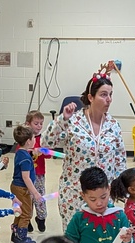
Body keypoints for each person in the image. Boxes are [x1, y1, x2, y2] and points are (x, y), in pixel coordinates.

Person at [43, 71, 126, 228]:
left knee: (99, 242)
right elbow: (46, 144)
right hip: (74, 194)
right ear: (90, 97)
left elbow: (120, 159)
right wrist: (62, 120)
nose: (108, 99)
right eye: (103, 95)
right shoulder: (73, 121)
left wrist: (120, 188)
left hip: (102, 197)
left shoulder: (113, 125)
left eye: (110, 94)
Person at [9, 124, 40, 243]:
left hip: (16, 187)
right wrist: (35, 193)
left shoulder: (20, 152)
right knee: (26, 213)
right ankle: (21, 238)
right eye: (33, 139)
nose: (35, 141)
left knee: (19, 212)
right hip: (22, 189)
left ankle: (15, 236)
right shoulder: (26, 159)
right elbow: (26, 178)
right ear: (28, 141)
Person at [26, 110, 49, 233]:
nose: (39, 126)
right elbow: (20, 152)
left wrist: (44, 150)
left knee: (40, 196)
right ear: (28, 124)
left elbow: (50, 155)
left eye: (41, 123)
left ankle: (41, 218)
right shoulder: (24, 138)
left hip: (39, 174)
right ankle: (27, 219)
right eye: (36, 123)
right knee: (27, 197)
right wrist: (31, 151)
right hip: (26, 176)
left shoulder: (43, 138)